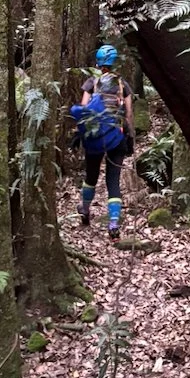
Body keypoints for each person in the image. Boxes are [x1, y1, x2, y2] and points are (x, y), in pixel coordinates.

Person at [69, 44, 135, 241]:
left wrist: (79, 135)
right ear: (114, 62)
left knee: (91, 176)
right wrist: (130, 136)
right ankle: (114, 222)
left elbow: (84, 109)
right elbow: (129, 114)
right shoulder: (123, 85)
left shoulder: (92, 82)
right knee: (113, 181)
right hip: (116, 138)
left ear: (98, 63)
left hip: (95, 138)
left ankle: (85, 210)